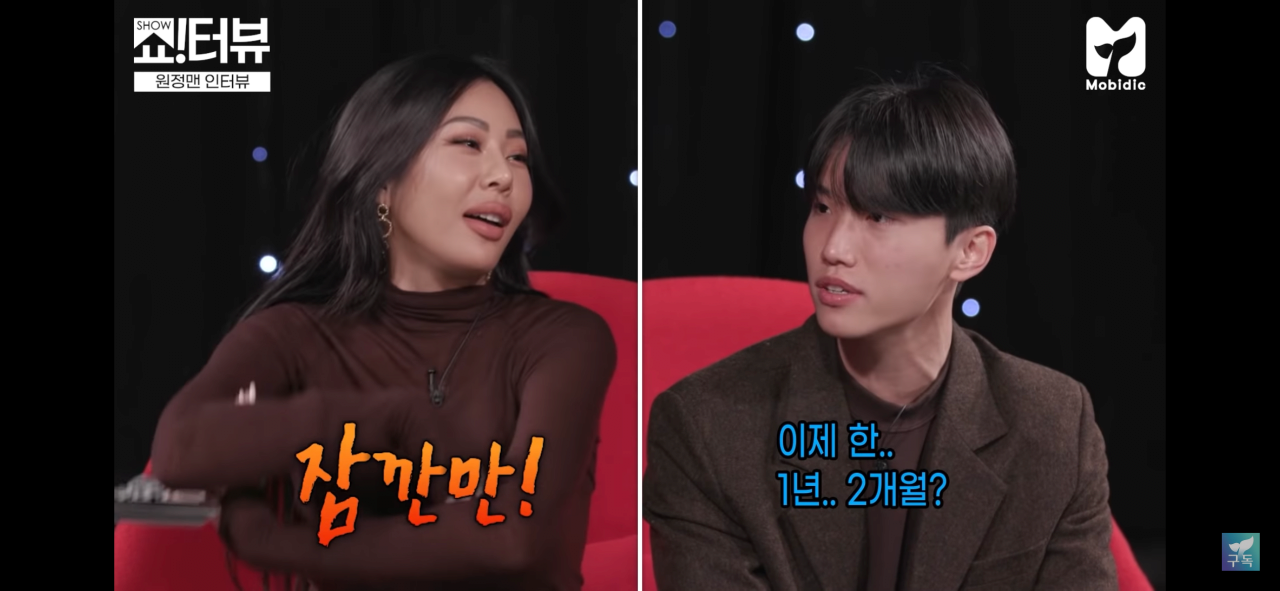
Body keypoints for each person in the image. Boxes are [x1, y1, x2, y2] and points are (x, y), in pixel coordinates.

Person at [149, 53, 617, 591]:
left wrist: (271, 539)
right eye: (469, 143)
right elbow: (181, 450)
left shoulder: (563, 337)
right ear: (382, 182)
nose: (503, 176)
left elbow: (512, 536)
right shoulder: (295, 333)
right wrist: (378, 420)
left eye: (518, 156)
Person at [642, 66, 1118, 590]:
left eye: (879, 217)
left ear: (970, 250)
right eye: (823, 207)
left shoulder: (1053, 423)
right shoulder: (705, 426)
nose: (833, 249)